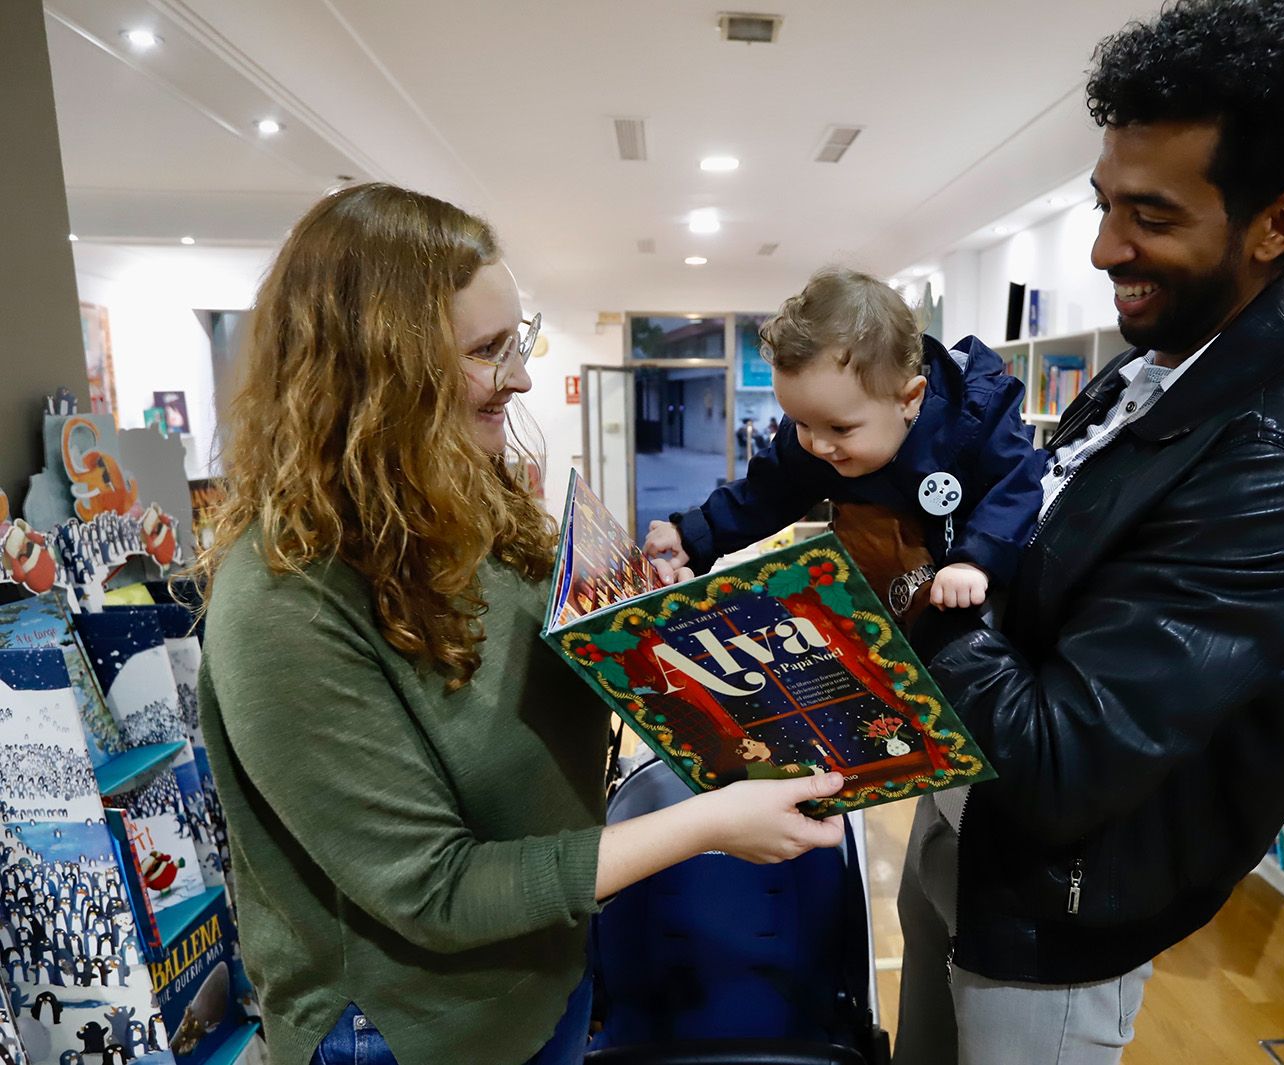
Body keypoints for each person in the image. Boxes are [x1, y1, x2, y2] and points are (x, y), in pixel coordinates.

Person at [194, 183, 845, 1065]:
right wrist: (707, 824)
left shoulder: (459, 495)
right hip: (414, 1029)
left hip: (540, 972)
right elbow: (434, 890)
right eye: (487, 350)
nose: (525, 376)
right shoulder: (284, 599)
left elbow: (536, 679)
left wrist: (650, 621)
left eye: (517, 339)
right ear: (383, 373)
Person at [888, 2, 1284, 1063]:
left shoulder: (1276, 465)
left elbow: (1066, 765)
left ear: (1277, 221)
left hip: (1055, 907)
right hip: (963, 820)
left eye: (1150, 216)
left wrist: (918, 583)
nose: (1104, 246)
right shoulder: (1150, 368)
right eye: (1105, 202)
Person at [644, 266, 1044, 613]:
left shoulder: (976, 414)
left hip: (975, 599)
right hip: (880, 601)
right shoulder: (818, 432)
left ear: (910, 398)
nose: (818, 445)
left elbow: (1015, 486)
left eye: (840, 429)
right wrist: (691, 536)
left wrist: (974, 562)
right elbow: (764, 495)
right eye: (800, 423)